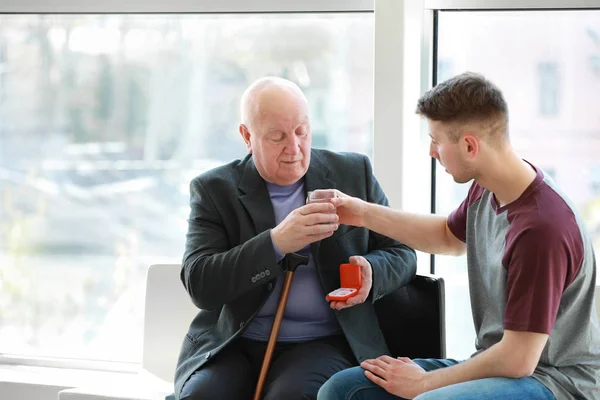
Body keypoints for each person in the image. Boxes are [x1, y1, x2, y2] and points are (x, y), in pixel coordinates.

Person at [317, 72, 600, 400]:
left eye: (436, 140)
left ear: (469, 145)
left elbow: (519, 359)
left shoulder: (542, 229)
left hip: (554, 382)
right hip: (499, 364)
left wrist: (423, 382)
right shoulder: (488, 187)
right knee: (343, 390)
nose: (431, 152)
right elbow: (446, 237)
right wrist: (361, 213)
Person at [170, 76, 417, 400]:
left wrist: (371, 272)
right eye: (277, 137)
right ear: (247, 136)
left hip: (323, 342)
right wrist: (276, 242)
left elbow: (403, 252)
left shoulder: (352, 172)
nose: (294, 147)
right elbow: (200, 283)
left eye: (302, 132)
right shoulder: (215, 190)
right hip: (235, 341)